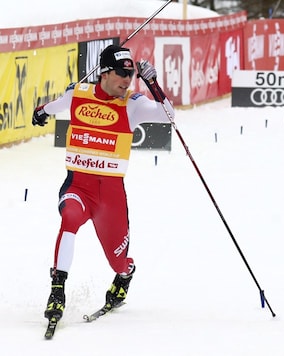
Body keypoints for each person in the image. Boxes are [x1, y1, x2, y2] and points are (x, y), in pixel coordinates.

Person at [32, 44, 176, 324]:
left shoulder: (133, 105)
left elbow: (169, 116)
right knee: (69, 219)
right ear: (105, 73)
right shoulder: (79, 94)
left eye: (131, 75)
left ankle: (125, 274)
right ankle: (57, 290)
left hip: (110, 198)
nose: (127, 81)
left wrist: (153, 84)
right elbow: (53, 106)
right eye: (122, 74)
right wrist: (41, 112)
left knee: (118, 260)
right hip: (79, 186)